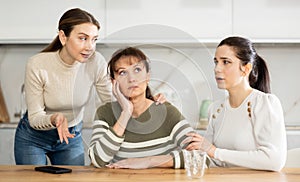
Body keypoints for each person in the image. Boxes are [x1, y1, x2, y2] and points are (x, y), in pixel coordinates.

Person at [14, 8, 165, 166]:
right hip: (34, 138)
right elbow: (35, 117)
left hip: (71, 136)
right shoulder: (38, 64)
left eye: (94, 39)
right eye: (83, 38)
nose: (90, 47)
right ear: (63, 37)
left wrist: (148, 101)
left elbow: (111, 102)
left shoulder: (95, 62)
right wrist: (54, 118)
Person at [186, 36, 287, 171]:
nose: (217, 69)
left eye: (226, 62)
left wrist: (215, 151)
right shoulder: (215, 109)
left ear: (246, 69)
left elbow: (274, 161)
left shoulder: (264, 103)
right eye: (216, 62)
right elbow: (207, 155)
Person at [88, 47, 195, 169]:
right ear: (113, 82)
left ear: (147, 76)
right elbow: (97, 160)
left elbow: (200, 156)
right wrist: (126, 113)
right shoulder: (105, 113)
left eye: (137, 70)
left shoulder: (167, 112)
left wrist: (149, 161)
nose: (131, 79)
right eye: (122, 72)